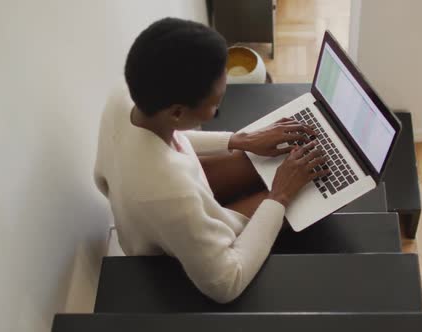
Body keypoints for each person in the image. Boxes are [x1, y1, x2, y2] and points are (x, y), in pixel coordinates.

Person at [93, 17, 329, 303]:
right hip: (169, 242)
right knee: (302, 193)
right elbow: (226, 284)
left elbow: (166, 139)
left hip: (161, 201)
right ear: (178, 113)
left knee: (267, 160)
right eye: (216, 105)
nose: (220, 104)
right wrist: (279, 196)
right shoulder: (169, 194)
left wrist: (240, 140)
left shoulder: (124, 97)